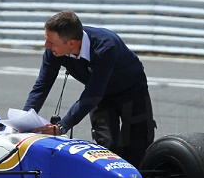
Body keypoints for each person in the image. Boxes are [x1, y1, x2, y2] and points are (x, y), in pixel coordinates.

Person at [23, 10, 157, 169]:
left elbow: (93, 93)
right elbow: (42, 85)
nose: (46, 45)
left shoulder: (105, 46)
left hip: (131, 91)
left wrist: (61, 126)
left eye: (50, 42)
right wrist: (24, 120)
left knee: (136, 150)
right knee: (108, 148)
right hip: (102, 96)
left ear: (71, 43)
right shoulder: (54, 50)